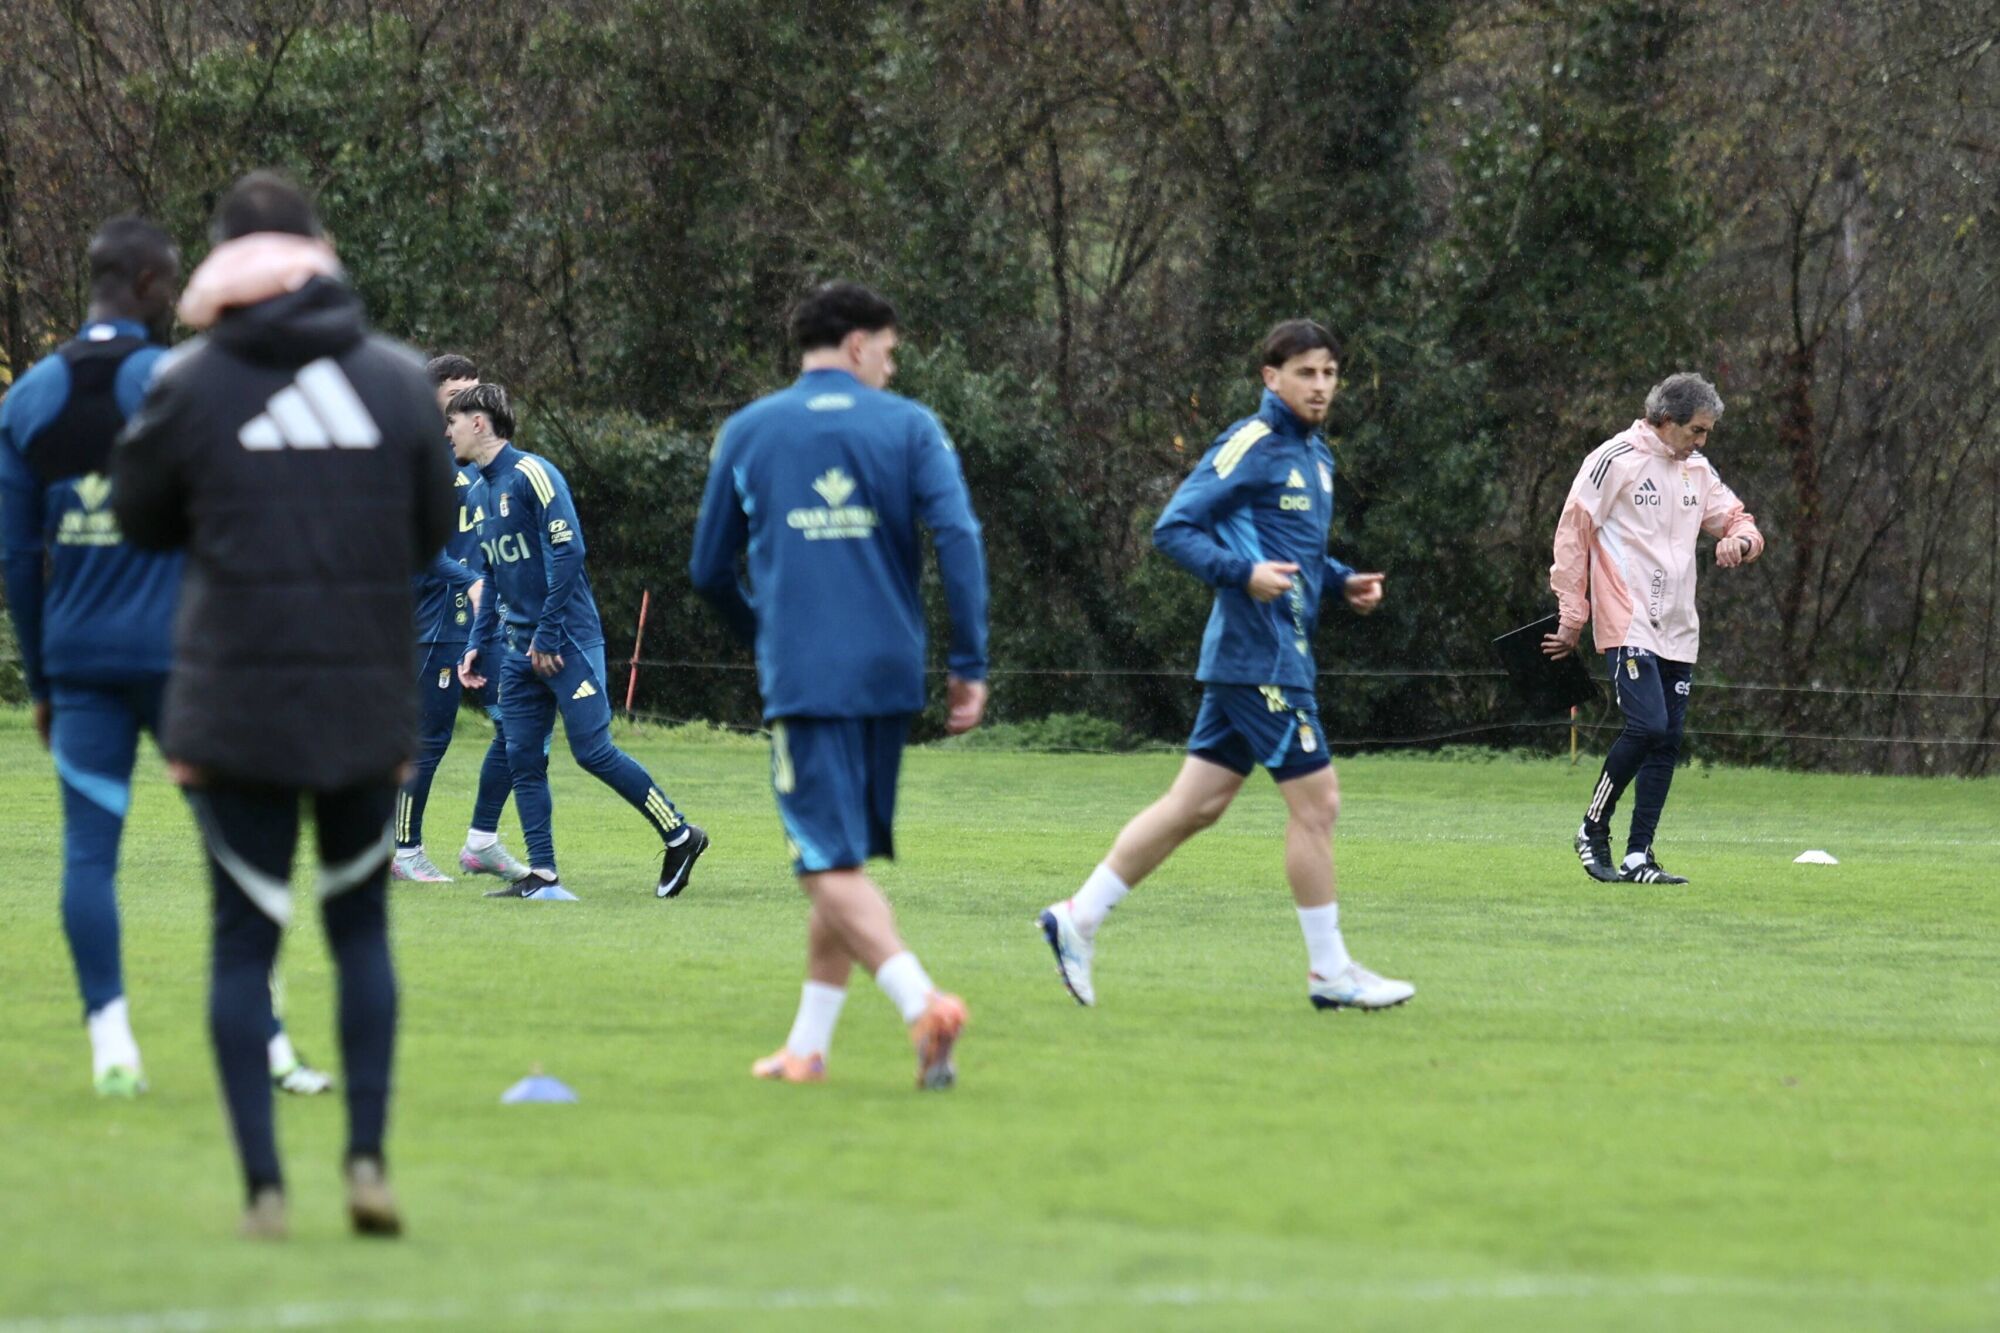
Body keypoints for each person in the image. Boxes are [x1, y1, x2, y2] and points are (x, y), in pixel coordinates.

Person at [111, 171, 454, 1238]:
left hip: (233, 705)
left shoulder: (189, 380)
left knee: (240, 940)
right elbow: (434, 530)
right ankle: (365, 1161)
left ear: (220, 263)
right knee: (359, 930)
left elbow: (137, 518)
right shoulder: (399, 381)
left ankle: (263, 1187)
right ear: (320, 249)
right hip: (363, 702)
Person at [0, 215, 331, 1100]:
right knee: (238, 856)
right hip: (188, 664)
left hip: (80, 668)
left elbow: (14, 560)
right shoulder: (178, 382)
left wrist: (42, 677)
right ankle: (268, 1045)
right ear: (151, 286)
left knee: (87, 856)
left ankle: (111, 1043)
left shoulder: (26, 398)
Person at [1037, 319, 1414, 1013]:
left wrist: (1338, 581)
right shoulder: (1255, 443)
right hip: (1259, 657)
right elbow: (1174, 528)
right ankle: (1330, 971)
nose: (1321, 385)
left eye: (1330, 372)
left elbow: (1291, 549)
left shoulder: (1317, 456)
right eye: (1306, 372)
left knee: (1196, 804)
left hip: (1276, 653)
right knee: (1318, 802)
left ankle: (1078, 916)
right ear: (1271, 377)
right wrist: (1241, 574)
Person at [689, 280, 988, 1090]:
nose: (890, 370)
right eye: (889, 354)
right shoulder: (910, 426)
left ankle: (921, 1001)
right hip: (890, 673)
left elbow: (707, 568)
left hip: (809, 677)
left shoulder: (751, 430)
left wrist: (765, 633)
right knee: (841, 858)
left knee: (822, 863)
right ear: (857, 345)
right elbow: (958, 537)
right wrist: (970, 663)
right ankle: (806, 1048)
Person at [454, 382, 707, 900]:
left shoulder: (533, 474)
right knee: (523, 757)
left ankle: (681, 835)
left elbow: (570, 553)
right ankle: (543, 876)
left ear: (480, 422)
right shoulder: (479, 493)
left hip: (564, 640)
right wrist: (479, 641)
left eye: (453, 422)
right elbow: (494, 574)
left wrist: (548, 634)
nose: (447, 431)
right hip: (519, 648)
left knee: (593, 751)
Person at [1544, 372, 1764, 885]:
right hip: (1628, 619)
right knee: (1648, 727)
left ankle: (1639, 855)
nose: (1703, 442)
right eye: (1697, 430)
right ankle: (1592, 828)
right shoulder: (1613, 459)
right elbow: (1573, 533)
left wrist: (1741, 542)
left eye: (1707, 432)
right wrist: (1573, 612)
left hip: (1679, 627)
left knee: (1666, 743)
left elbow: (1740, 520)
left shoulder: (1697, 471)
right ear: (1666, 420)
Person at [389, 354, 528, 884]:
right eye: (460, 393)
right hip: (437, 619)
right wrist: (465, 579)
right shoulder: (420, 458)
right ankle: (405, 850)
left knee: (519, 724)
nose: (472, 403)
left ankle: (482, 841)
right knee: (430, 737)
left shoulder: (480, 462)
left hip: (488, 620)